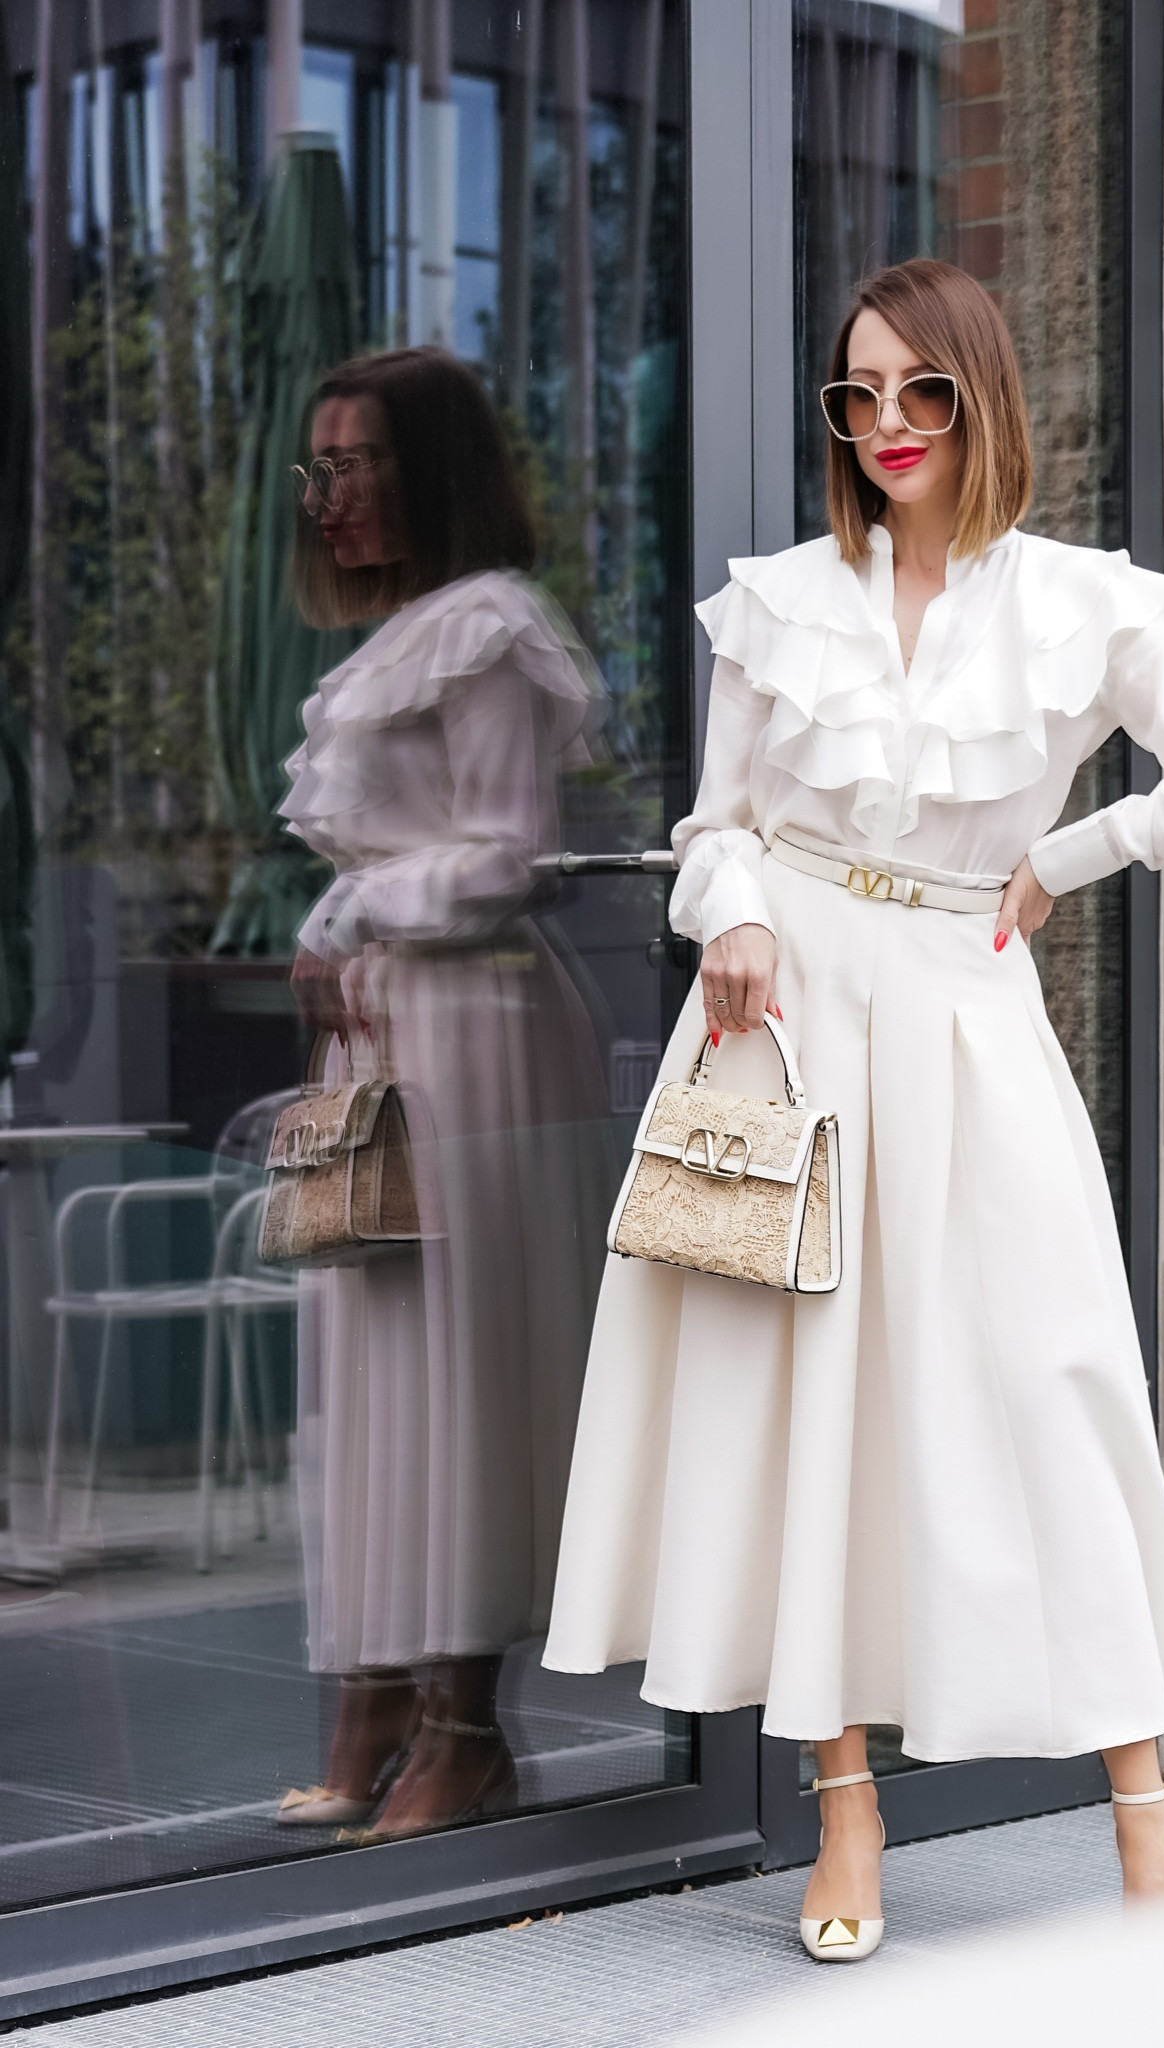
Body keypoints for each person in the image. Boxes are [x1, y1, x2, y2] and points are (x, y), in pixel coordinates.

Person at [542, 260, 1164, 1955]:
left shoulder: (1081, 604)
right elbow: (714, 823)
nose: (886, 425)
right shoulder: (778, 603)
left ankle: (1147, 1830)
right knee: (809, 1407)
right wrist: (726, 902)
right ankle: (849, 1818)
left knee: (1053, 1388)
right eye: (856, 396)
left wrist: (1065, 854)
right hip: (786, 1022)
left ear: (983, 399)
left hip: (965, 1015)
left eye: (923, 393)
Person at [276, 347, 610, 1838]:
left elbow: (508, 854)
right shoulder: (400, 637)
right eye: (318, 469)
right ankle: (377, 1710)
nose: (329, 498)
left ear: (436, 471)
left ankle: (465, 1731)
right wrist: (339, 936)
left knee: (458, 1375)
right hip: (386, 1037)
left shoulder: (490, 631)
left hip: (470, 1036)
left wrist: (350, 916)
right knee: (368, 1371)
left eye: (357, 464)